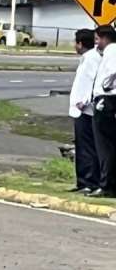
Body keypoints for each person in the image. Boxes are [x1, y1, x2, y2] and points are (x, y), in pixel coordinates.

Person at [68, 28, 101, 194]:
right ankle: (83, 181)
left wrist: (84, 101)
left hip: (86, 109)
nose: (75, 46)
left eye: (76, 42)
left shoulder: (91, 59)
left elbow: (93, 81)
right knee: (82, 146)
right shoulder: (87, 58)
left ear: (80, 43)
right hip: (81, 108)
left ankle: (89, 181)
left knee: (87, 147)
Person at [89, 25, 116, 197]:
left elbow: (113, 71)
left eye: (97, 39)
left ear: (105, 38)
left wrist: (105, 87)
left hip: (107, 100)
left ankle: (107, 186)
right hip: (109, 100)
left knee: (105, 146)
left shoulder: (112, 51)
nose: (96, 44)